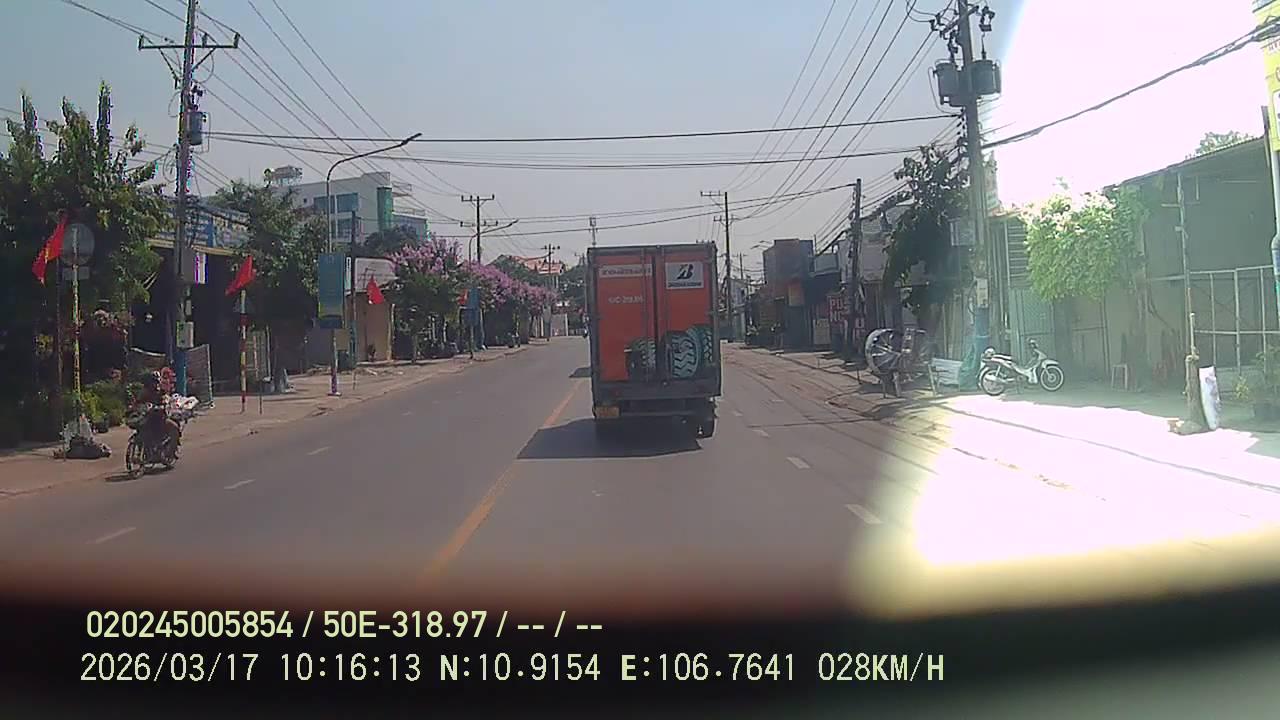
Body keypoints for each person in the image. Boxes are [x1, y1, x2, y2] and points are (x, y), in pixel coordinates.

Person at [135, 371, 181, 455]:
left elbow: (166, 401)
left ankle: (170, 451)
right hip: (146, 418)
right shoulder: (143, 392)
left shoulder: (160, 392)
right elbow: (138, 403)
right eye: (152, 382)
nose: (154, 384)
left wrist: (162, 406)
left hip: (159, 418)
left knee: (175, 427)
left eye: (155, 382)